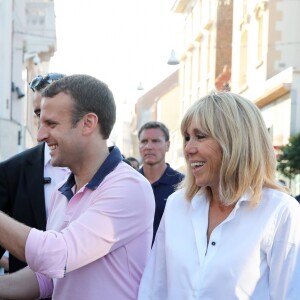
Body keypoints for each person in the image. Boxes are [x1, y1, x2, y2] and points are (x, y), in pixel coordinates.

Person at [0, 74, 155, 300]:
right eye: (40, 121)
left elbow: (56, 256)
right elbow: (47, 277)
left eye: (51, 124)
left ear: (88, 123)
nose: (41, 135)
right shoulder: (63, 191)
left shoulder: (129, 187)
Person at [138, 91, 300, 299]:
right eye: (187, 138)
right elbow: (153, 290)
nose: (188, 148)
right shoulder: (176, 205)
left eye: (200, 136)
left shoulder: (280, 212)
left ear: (235, 141)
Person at [0, 73, 69, 274]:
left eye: (53, 115)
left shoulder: (105, 173)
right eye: (38, 113)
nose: (43, 124)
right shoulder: (12, 171)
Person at [138, 121, 184, 243]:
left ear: (168, 145)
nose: (148, 146)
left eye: (156, 141)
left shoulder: (182, 184)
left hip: (168, 259)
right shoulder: (129, 183)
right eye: (144, 141)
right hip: (133, 260)